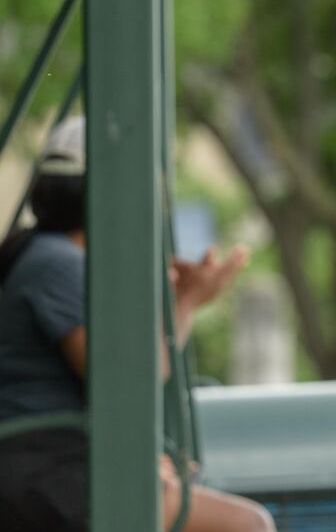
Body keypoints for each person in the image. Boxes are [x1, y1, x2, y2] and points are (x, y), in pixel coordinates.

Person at [0, 117, 275, 531]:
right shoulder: (59, 263)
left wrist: (184, 303)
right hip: (44, 470)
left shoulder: (48, 255)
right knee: (245, 525)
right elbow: (123, 386)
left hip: (50, 460)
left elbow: (141, 375)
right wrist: (187, 302)